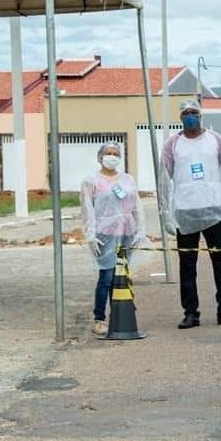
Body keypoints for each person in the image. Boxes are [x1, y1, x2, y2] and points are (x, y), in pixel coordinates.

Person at [159, 99, 221, 329]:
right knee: (187, 265)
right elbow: (163, 180)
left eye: (193, 112)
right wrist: (165, 212)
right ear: (180, 117)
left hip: (214, 209)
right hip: (185, 211)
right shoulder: (172, 145)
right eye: (185, 113)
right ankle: (190, 313)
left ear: (201, 114)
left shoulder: (214, 140)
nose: (190, 116)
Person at [80, 141, 146, 336]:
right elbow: (87, 209)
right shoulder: (91, 181)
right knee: (107, 276)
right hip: (104, 234)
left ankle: (121, 313)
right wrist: (91, 234)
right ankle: (99, 318)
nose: (112, 156)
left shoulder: (127, 180)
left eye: (115, 153)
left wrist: (140, 231)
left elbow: (137, 207)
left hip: (126, 232)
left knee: (122, 276)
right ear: (100, 156)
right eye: (108, 153)